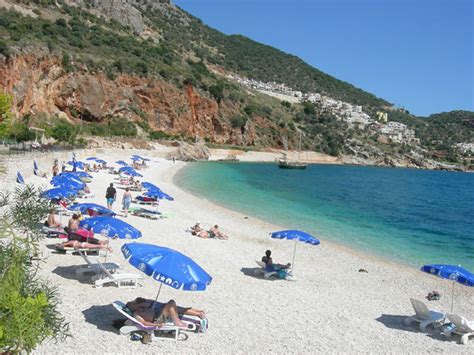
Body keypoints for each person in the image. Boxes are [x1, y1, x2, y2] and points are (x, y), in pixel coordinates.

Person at [126, 297, 205, 328]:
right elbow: (144, 323)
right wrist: (157, 325)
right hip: (158, 320)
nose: (134, 302)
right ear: (131, 308)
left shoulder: (141, 307)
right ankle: (177, 322)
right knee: (171, 303)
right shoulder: (136, 314)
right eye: (132, 303)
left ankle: (198, 313)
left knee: (172, 306)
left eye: (133, 302)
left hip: (159, 314)